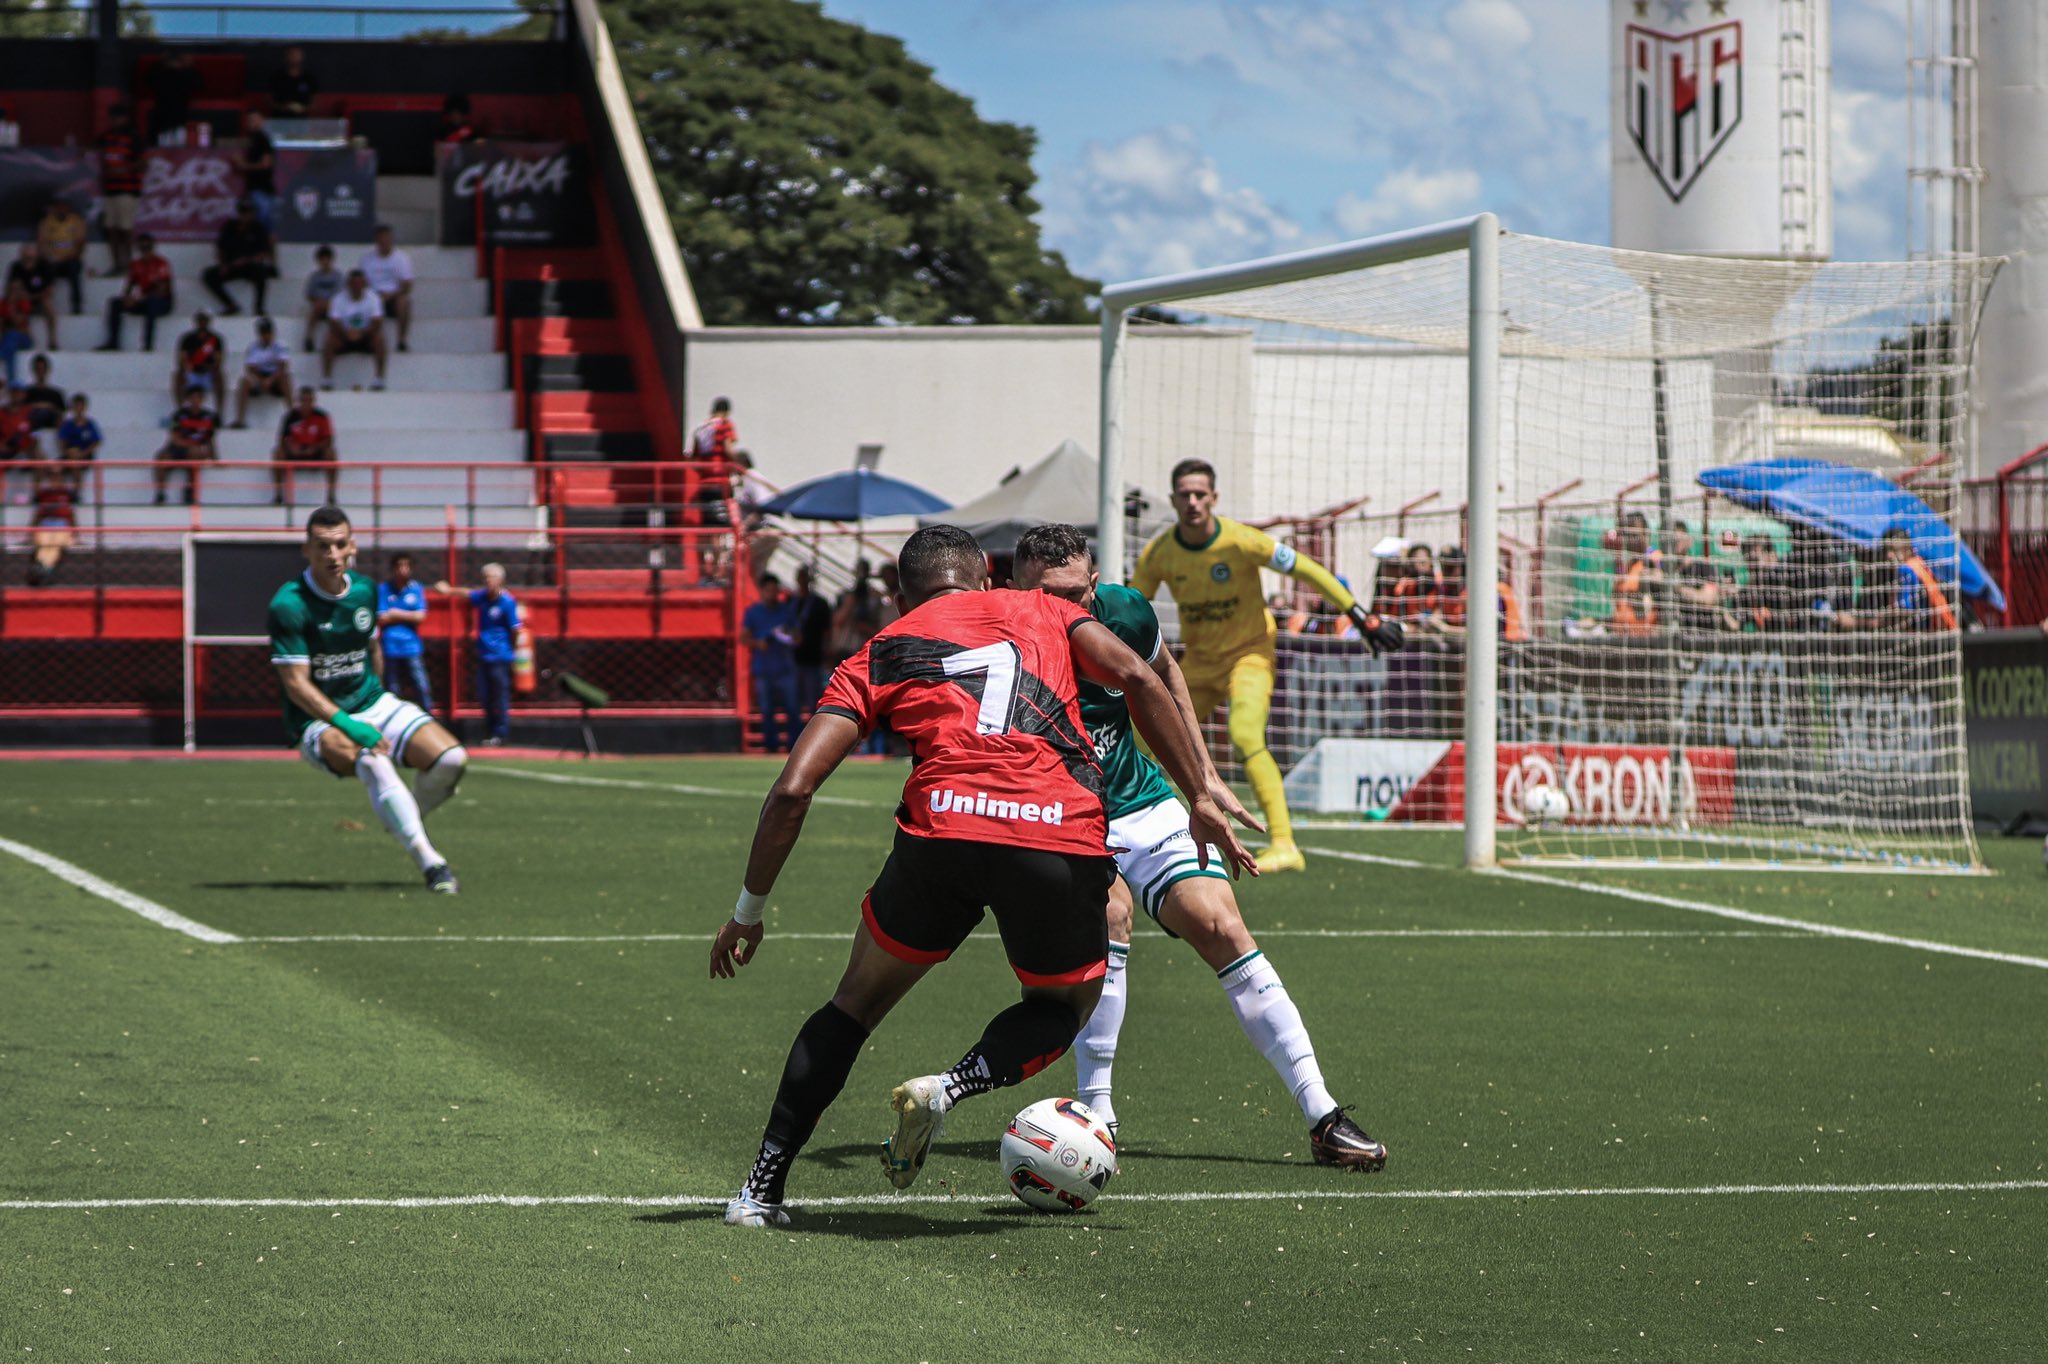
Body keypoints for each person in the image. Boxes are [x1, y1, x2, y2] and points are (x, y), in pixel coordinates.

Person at [710, 524, 1256, 1228]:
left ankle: (759, 1191)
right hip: (1054, 835)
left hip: (942, 834)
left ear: (904, 597)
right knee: (1060, 1009)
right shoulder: (1049, 611)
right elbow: (1140, 677)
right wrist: (1201, 797)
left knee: (852, 1006)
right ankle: (951, 1086)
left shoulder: (880, 650)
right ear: (989, 580)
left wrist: (748, 912)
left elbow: (792, 791)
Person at [1012, 524, 1387, 1167]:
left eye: (1075, 595)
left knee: (1221, 923)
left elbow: (1166, 676)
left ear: (1095, 585)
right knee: (1112, 914)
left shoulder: (1126, 611)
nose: (1064, 612)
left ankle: (1322, 1114)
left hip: (1139, 801)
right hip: (1057, 814)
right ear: (1015, 588)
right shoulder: (1001, 641)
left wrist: (1204, 780)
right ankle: (1097, 1114)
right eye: (1046, 596)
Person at [1130, 458, 1404, 874]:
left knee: (1244, 733)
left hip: (1250, 656)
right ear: (1172, 500)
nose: (1192, 502)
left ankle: (1283, 843)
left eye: (1200, 494)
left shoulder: (1242, 540)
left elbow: (1307, 569)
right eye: (1184, 494)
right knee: (1140, 734)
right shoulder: (1160, 554)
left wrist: (1358, 615)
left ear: (1214, 498)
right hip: (1199, 664)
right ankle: (1127, 823)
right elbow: (1133, 605)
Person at [269, 505, 467, 895]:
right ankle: (432, 863)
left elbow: (371, 647)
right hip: (319, 721)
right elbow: (295, 684)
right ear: (306, 549)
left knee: (451, 759)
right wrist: (348, 724)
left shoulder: (365, 590)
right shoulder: (288, 605)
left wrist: (379, 701)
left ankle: (403, 816)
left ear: (352, 547)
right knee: (372, 760)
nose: (331, 554)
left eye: (339, 545)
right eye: (322, 546)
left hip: (372, 700)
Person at [432, 564, 520, 746]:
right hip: (484, 655)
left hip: (500, 657)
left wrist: (514, 654)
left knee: (499, 696)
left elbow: (515, 630)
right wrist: (449, 591)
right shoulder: (483, 598)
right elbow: (467, 593)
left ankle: (501, 733)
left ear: (501, 580)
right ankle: (490, 731)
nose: (488, 581)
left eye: (491, 577)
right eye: (485, 578)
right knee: (485, 695)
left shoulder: (507, 602)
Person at [743, 571, 802, 753]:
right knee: (767, 711)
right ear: (761, 591)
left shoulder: (786, 610)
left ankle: (795, 747)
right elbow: (743, 637)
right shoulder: (753, 612)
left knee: (792, 709)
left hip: (785, 668)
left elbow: (798, 637)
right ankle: (771, 747)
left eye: (774, 590)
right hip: (763, 668)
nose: (772, 594)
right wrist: (758, 643)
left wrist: (786, 636)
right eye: (768, 590)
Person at [377, 552, 434, 716]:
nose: (403, 570)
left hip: (411, 645)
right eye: (399, 566)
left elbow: (420, 616)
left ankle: (427, 717)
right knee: (392, 687)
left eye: (406, 566)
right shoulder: (384, 589)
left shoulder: (416, 589)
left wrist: (395, 613)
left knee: (421, 684)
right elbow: (381, 617)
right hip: (390, 645)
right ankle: (394, 719)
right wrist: (407, 615)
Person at [97, 233, 174, 352]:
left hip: (162, 302)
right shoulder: (136, 264)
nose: (145, 252)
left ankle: (147, 345)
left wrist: (140, 298)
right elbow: (129, 285)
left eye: (148, 248)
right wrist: (127, 298)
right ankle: (113, 342)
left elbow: (162, 289)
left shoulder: (161, 263)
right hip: (143, 300)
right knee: (115, 303)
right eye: (143, 249)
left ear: (153, 248)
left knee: (152, 303)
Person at [202, 198, 276, 316]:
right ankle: (230, 305)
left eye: (248, 212)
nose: (245, 216)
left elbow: (264, 252)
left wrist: (247, 260)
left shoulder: (258, 228)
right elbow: (221, 248)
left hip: (250, 266)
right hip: (232, 266)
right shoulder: (229, 227)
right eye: (243, 212)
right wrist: (223, 265)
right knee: (208, 275)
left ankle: (259, 307)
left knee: (262, 274)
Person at [153, 384, 219, 505]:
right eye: (192, 398)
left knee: (195, 453)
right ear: (188, 399)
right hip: (177, 449)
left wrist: (215, 458)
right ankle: (160, 493)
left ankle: (190, 491)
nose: (195, 401)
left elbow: (210, 438)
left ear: (203, 399)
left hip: (196, 451)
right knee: (161, 457)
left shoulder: (210, 417)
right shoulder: (178, 415)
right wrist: (189, 445)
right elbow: (173, 437)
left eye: (198, 398)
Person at [1884, 526, 1959, 632]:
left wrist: (1876, 622)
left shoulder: (1906, 569)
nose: (1889, 555)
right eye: (1887, 550)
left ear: (1907, 549)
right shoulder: (1919, 564)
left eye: (1894, 550)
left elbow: (1905, 612)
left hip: (1927, 633)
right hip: (1943, 629)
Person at [321, 270, 387, 390]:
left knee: (379, 339)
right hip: (344, 337)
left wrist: (361, 333)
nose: (356, 286)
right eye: (353, 283)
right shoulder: (338, 299)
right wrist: (347, 333)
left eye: (359, 283)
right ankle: (327, 379)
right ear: (348, 284)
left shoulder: (373, 298)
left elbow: (377, 321)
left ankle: (379, 379)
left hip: (365, 338)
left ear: (364, 284)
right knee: (330, 339)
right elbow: (333, 322)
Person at [272, 384, 337, 505]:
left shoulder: (322, 416)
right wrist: (291, 447)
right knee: (277, 453)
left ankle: (331, 495)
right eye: (303, 400)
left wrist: (314, 448)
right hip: (295, 452)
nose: (306, 403)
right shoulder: (290, 417)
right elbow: (282, 438)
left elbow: (328, 439)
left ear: (313, 401)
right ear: (299, 400)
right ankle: (278, 494)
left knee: (331, 453)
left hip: (314, 452)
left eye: (309, 400)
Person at [97, 106, 142, 276]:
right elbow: (93, 147)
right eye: (112, 118)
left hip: (127, 190)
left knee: (125, 228)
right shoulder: (107, 136)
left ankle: (129, 265)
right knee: (111, 229)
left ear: (125, 118)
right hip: (110, 191)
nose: (114, 121)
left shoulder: (134, 137)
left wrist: (123, 169)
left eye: (118, 118)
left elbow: (144, 163)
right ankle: (117, 265)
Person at [358, 226, 414, 353]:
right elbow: (362, 283)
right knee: (365, 301)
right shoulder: (366, 259)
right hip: (373, 296)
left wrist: (391, 294)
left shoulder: (402, 258)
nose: (384, 242)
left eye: (387, 238)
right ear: (376, 241)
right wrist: (376, 295)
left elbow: (407, 284)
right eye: (381, 239)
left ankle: (401, 340)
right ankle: (367, 340)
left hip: (393, 298)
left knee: (404, 301)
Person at [233, 316, 292, 429]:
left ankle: (291, 414)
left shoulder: (280, 345)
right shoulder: (253, 347)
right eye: (263, 333)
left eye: (268, 332)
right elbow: (251, 368)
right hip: (259, 378)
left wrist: (270, 380)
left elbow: (283, 366)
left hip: (275, 378)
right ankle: (240, 419)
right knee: (244, 381)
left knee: (286, 378)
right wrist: (261, 380)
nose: (266, 336)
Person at [1663, 521, 1721, 634]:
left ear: (1688, 541)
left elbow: (1708, 598)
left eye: (1677, 541)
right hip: (1675, 639)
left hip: (1702, 636)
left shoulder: (1703, 568)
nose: (1673, 546)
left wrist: (1675, 587)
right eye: (1670, 542)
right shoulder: (1664, 570)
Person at [789, 563, 833, 715]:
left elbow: (827, 631)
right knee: (792, 702)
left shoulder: (819, 604)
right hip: (792, 660)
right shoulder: (790, 602)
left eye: (805, 577)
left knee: (812, 700)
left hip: (813, 659)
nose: (803, 581)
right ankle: (794, 736)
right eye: (800, 577)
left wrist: (827, 652)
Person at [36, 200, 88, 317]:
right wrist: (50, 257)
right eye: (59, 208)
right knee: (40, 270)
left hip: (69, 260)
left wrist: (64, 258)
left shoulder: (76, 221)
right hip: (52, 261)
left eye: (64, 208)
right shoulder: (47, 222)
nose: (61, 210)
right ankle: (40, 304)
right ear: (54, 209)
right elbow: (42, 243)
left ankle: (76, 305)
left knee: (74, 270)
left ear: (69, 209)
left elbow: (80, 245)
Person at [26, 464, 75, 587]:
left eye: (58, 477)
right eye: (52, 477)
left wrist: (76, 533)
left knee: (56, 544)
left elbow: (72, 515)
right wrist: (30, 532)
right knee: (44, 543)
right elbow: (37, 515)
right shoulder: (44, 494)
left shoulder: (67, 494)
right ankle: (46, 569)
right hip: (45, 524)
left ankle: (43, 567)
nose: (55, 480)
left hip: (62, 525)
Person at [1611, 512, 1659, 636]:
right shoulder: (1629, 564)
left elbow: (1663, 580)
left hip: (1644, 636)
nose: (1630, 540)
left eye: (1634, 535)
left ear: (1645, 533)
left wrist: (1651, 576)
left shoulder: (1654, 558)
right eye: (1628, 536)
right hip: (1623, 635)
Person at [170, 309, 227, 411]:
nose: (202, 323)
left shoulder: (215, 339)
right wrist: (188, 366)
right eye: (200, 320)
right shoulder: (187, 339)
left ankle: (219, 411)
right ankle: (180, 410)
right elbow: (181, 359)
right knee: (178, 375)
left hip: (208, 374)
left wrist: (208, 366)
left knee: (220, 375)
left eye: (204, 320)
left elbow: (218, 361)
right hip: (192, 372)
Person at [7, 243, 59, 350]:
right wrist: (22, 295)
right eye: (25, 258)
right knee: (12, 300)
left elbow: (49, 290)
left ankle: (52, 340)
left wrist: (31, 296)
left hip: (39, 299)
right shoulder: (16, 267)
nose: (28, 261)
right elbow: (11, 288)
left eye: (30, 258)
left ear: (36, 256)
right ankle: (24, 336)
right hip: (23, 300)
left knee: (48, 304)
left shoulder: (44, 266)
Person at [233, 112, 278, 235]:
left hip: (262, 188)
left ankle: (264, 250)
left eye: (254, 120)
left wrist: (243, 165)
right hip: (255, 187)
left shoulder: (262, 139)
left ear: (261, 121)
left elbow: (266, 163)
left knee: (263, 224)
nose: (251, 123)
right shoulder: (252, 140)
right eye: (249, 120)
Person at [147, 52, 201, 145]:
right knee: (164, 141)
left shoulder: (185, 75)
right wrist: (160, 64)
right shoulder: (161, 74)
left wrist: (188, 66)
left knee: (178, 140)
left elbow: (198, 84)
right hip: (164, 116)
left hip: (179, 115)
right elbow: (149, 80)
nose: (175, 65)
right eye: (172, 62)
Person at [54, 392, 100, 493]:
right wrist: (68, 452)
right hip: (69, 454)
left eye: (81, 405)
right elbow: (61, 441)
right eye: (76, 405)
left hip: (85, 455)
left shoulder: (90, 424)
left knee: (76, 463)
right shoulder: (67, 424)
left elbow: (96, 441)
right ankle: (60, 494)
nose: (78, 408)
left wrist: (83, 453)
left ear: (85, 407)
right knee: (55, 467)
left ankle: (77, 493)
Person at [301, 245, 342, 353]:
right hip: (318, 305)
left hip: (333, 306)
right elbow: (310, 295)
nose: (325, 262)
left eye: (327, 259)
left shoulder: (338, 276)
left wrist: (328, 302)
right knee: (317, 306)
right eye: (322, 259)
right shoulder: (314, 277)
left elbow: (340, 295)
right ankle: (309, 337)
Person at [0, 279, 35, 384]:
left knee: (13, 335)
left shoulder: (24, 303)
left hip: (23, 339)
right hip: (8, 341)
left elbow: (18, 322)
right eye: (12, 289)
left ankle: (1, 354)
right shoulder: (3, 303)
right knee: (11, 352)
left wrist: (12, 306)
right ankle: (12, 380)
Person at [20, 353, 64, 431]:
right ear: (33, 370)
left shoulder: (56, 394)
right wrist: (45, 406)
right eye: (38, 369)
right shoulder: (27, 392)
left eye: (43, 369)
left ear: (47, 370)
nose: (40, 372)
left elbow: (61, 412)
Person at [270, 46, 317, 117]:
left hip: (302, 118)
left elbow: (315, 99)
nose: (294, 58)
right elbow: (268, 98)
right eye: (292, 55)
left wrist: (305, 108)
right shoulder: (277, 77)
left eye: (297, 55)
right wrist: (281, 107)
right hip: (280, 117)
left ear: (302, 57)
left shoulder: (308, 78)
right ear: (286, 57)